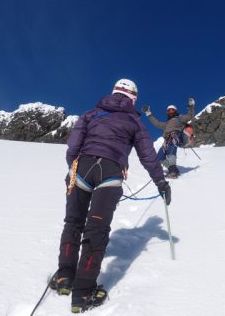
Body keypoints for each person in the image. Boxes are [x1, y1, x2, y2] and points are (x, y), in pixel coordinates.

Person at [52, 79, 172, 313]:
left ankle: (64, 276)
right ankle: (83, 292)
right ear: (133, 98)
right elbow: (147, 155)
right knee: (97, 228)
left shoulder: (91, 113)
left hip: (82, 167)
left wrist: (73, 168)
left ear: (113, 93)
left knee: (73, 221)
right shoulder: (134, 121)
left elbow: (73, 145)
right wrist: (160, 181)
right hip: (111, 172)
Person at [142, 98, 195, 178]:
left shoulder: (180, 118)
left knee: (171, 152)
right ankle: (172, 169)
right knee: (160, 157)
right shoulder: (166, 123)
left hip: (175, 136)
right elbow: (157, 123)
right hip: (166, 140)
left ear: (175, 111)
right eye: (169, 111)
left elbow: (190, 115)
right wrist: (148, 114)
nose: (170, 112)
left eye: (172, 110)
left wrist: (191, 106)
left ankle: (173, 172)